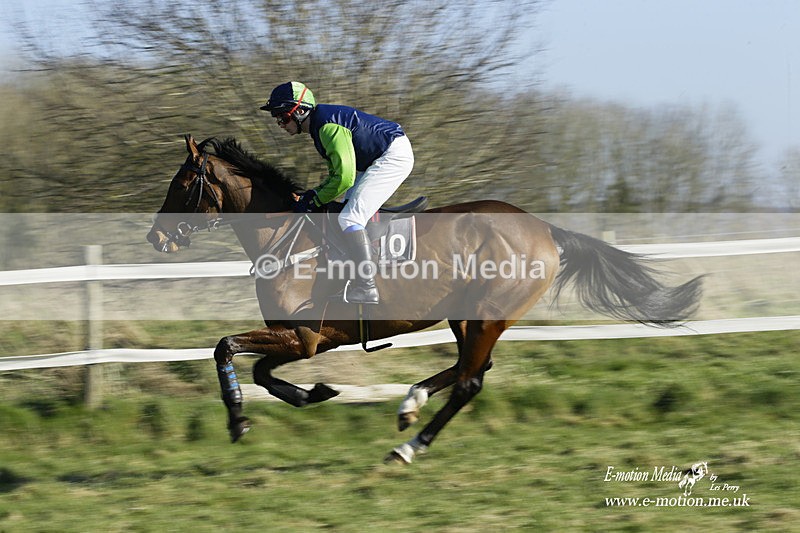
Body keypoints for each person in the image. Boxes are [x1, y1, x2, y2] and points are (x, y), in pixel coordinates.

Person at [260, 81, 414, 305]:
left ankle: (367, 287)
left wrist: (315, 198)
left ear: (300, 111)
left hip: (392, 156)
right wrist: (313, 195)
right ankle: (351, 276)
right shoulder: (319, 127)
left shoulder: (327, 127)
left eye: (282, 117)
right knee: (343, 213)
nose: (280, 124)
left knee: (350, 217)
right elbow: (337, 175)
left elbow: (344, 178)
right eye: (277, 118)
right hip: (374, 160)